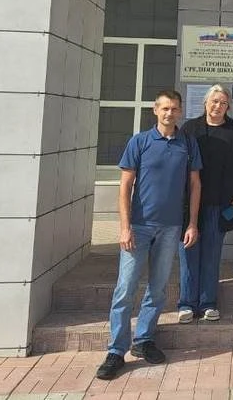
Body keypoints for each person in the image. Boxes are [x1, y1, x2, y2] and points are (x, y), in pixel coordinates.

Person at [96, 90, 201, 380]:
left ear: (180, 112)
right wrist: (124, 226)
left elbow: (195, 185)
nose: (170, 113)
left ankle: (143, 339)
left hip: (171, 227)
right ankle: (116, 351)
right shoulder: (139, 142)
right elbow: (125, 186)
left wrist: (192, 223)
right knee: (125, 289)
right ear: (155, 110)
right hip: (139, 227)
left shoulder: (187, 143)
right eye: (165, 108)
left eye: (174, 109)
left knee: (157, 288)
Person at [178, 84, 233, 323]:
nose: (218, 106)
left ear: (228, 106)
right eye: (214, 101)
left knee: (212, 252)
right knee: (188, 251)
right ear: (205, 103)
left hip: (221, 203)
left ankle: (208, 303)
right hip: (190, 203)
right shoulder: (190, 129)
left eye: (223, 103)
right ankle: (187, 303)